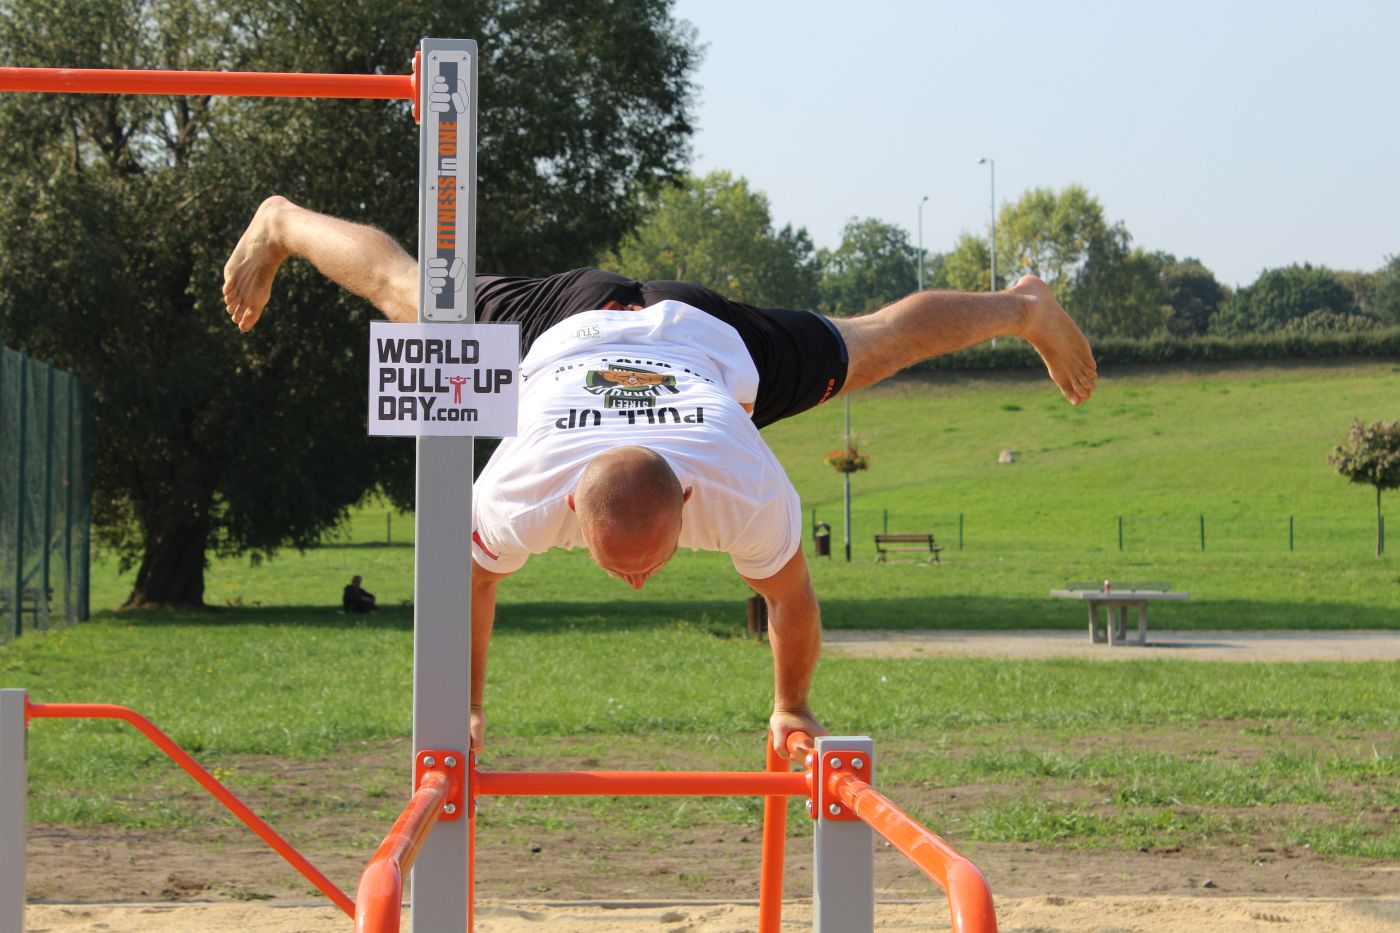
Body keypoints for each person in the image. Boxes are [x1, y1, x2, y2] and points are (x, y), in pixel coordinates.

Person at [223, 196, 1097, 756]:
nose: (640, 578)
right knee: (411, 293)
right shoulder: (524, 480)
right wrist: (469, 708)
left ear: (691, 498)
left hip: (705, 340)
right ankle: (280, 223)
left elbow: (792, 599)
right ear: (568, 505)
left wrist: (790, 705)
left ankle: (1025, 306)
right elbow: (472, 582)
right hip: (560, 329)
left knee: (878, 344)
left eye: (643, 562)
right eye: (623, 566)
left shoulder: (738, 475)